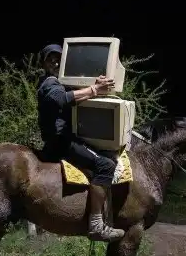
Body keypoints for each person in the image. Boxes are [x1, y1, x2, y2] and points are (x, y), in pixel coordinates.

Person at [36, 43, 125, 242]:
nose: (55, 63)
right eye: (50, 59)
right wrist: (95, 89)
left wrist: (96, 83)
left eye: (58, 59)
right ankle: (96, 226)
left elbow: (77, 91)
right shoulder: (49, 82)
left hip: (62, 140)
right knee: (106, 165)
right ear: (43, 64)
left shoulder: (60, 82)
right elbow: (61, 98)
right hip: (61, 143)